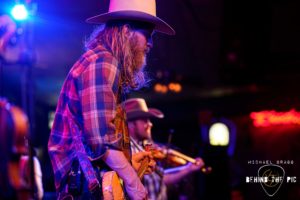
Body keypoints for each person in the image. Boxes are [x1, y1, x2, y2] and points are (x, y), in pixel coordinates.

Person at [48, 0, 175, 199]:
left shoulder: (101, 61)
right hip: (84, 188)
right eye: (147, 35)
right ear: (126, 31)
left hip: (86, 182)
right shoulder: (103, 63)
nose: (150, 44)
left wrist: (129, 163)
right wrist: (133, 183)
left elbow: (94, 143)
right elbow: (102, 140)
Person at [124, 98, 205, 200]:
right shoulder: (129, 151)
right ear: (131, 124)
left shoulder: (142, 147)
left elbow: (161, 178)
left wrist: (188, 168)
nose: (150, 124)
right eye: (145, 120)